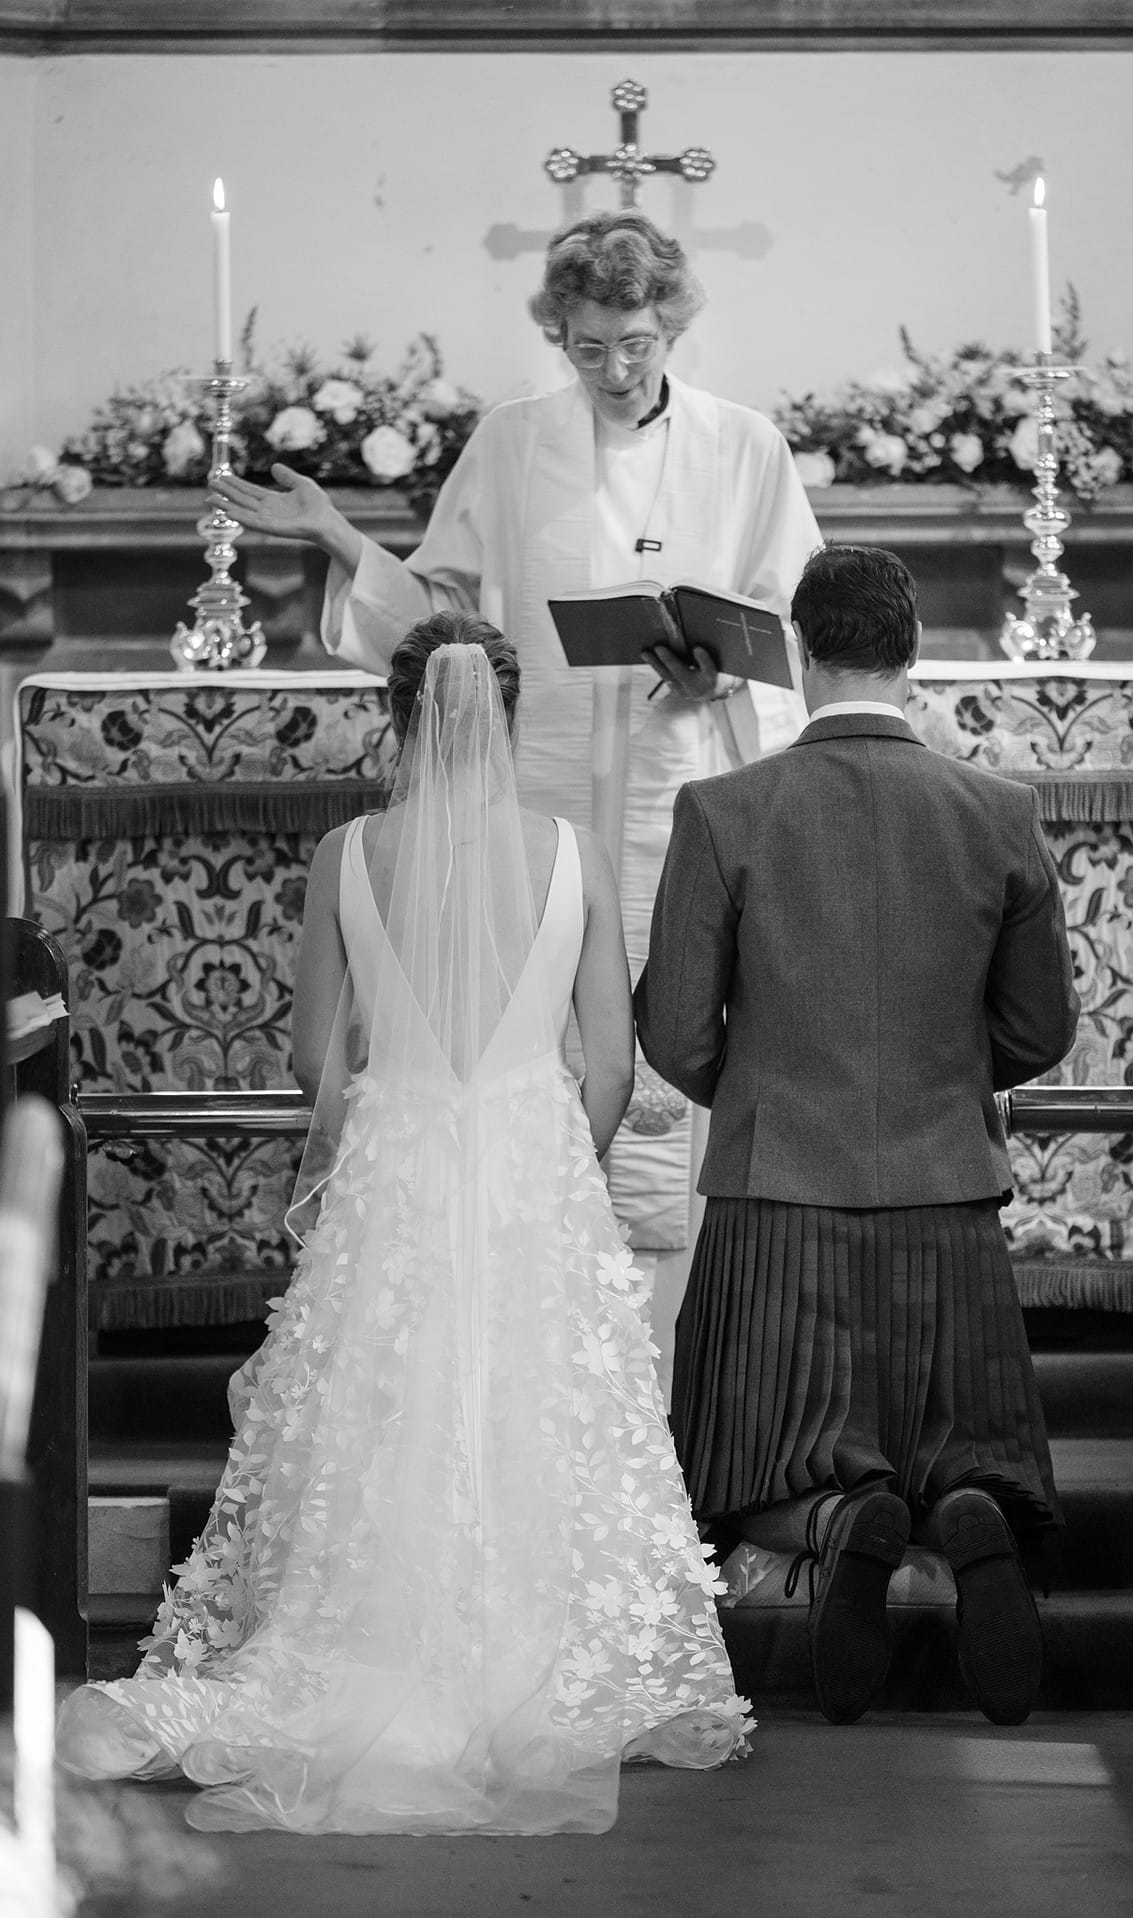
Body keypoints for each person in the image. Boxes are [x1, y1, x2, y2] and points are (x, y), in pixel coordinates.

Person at [56, 612, 753, 1836]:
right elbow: (608, 1055)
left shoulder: (346, 854)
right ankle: (543, 1660)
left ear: (397, 715)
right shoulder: (575, 851)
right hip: (533, 1161)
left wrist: (366, 1136)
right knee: (534, 1407)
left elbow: (315, 1054)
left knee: (386, 1410)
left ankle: (379, 1648)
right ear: (511, 710)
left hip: (396, 1160)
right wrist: (558, 1161)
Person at [211, 208, 820, 1283]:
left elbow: (796, 627)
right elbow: (445, 622)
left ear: (672, 324)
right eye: (588, 347)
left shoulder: (746, 444)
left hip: (692, 775)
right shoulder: (513, 438)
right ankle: (533, 1268)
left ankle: (686, 1320)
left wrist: (722, 666)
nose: (615, 368)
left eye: (636, 344)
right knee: (541, 1034)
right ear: (558, 334)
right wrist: (342, 539)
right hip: (535, 795)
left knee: (685, 1010)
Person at [634, 544, 1080, 1730]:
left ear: (801, 649)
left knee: (741, 1466)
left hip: (777, 1200)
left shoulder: (724, 809)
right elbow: (1043, 1026)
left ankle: (837, 1523)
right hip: (947, 1201)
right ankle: (966, 1512)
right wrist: (940, 1087)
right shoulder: (998, 810)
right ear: (912, 651)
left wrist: (772, 1095)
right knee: (961, 1445)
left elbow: (673, 1028)